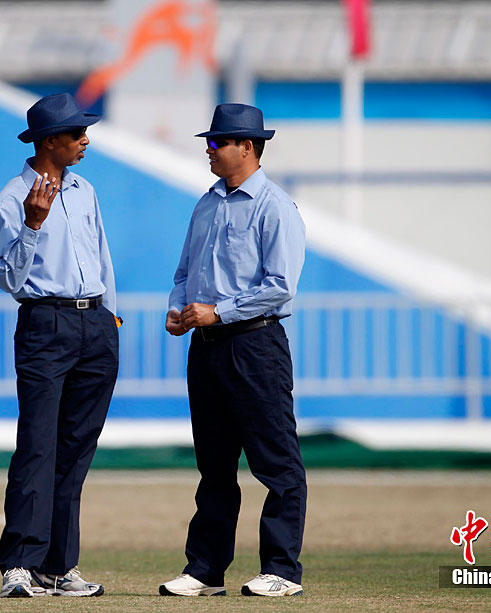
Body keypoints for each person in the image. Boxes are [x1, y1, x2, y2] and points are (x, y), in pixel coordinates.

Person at [159, 103, 307, 598]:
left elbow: (280, 286)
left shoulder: (275, 206)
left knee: (276, 463)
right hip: (206, 347)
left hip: (255, 345)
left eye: (218, 141)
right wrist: (179, 309)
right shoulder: (206, 204)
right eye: (210, 141)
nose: (209, 149)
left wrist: (218, 312)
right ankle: (205, 571)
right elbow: (185, 272)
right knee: (214, 466)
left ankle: (282, 570)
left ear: (247, 147)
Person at [0, 93, 119, 598]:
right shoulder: (11, 199)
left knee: (76, 451)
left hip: (95, 324)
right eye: (76, 133)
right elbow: (7, 278)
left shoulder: (85, 190)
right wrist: (32, 224)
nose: (85, 140)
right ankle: (20, 565)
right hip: (46, 324)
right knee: (37, 446)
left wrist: (110, 315)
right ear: (48, 141)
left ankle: (58, 567)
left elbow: (101, 255)